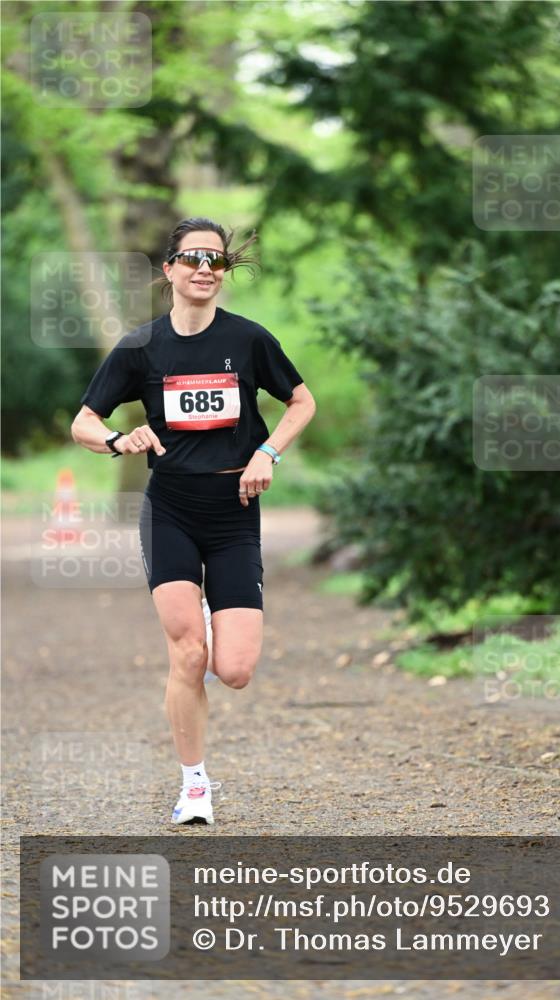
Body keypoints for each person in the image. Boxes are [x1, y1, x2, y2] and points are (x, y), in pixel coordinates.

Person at [71, 217, 316, 824]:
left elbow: (302, 402)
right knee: (187, 655)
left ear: (223, 272)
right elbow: (83, 423)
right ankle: (195, 785)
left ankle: (215, 614)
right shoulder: (140, 347)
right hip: (171, 510)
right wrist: (117, 440)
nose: (205, 268)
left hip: (233, 512)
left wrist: (267, 452)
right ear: (170, 269)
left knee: (233, 670)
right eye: (193, 259)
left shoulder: (251, 339)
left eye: (217, 260)